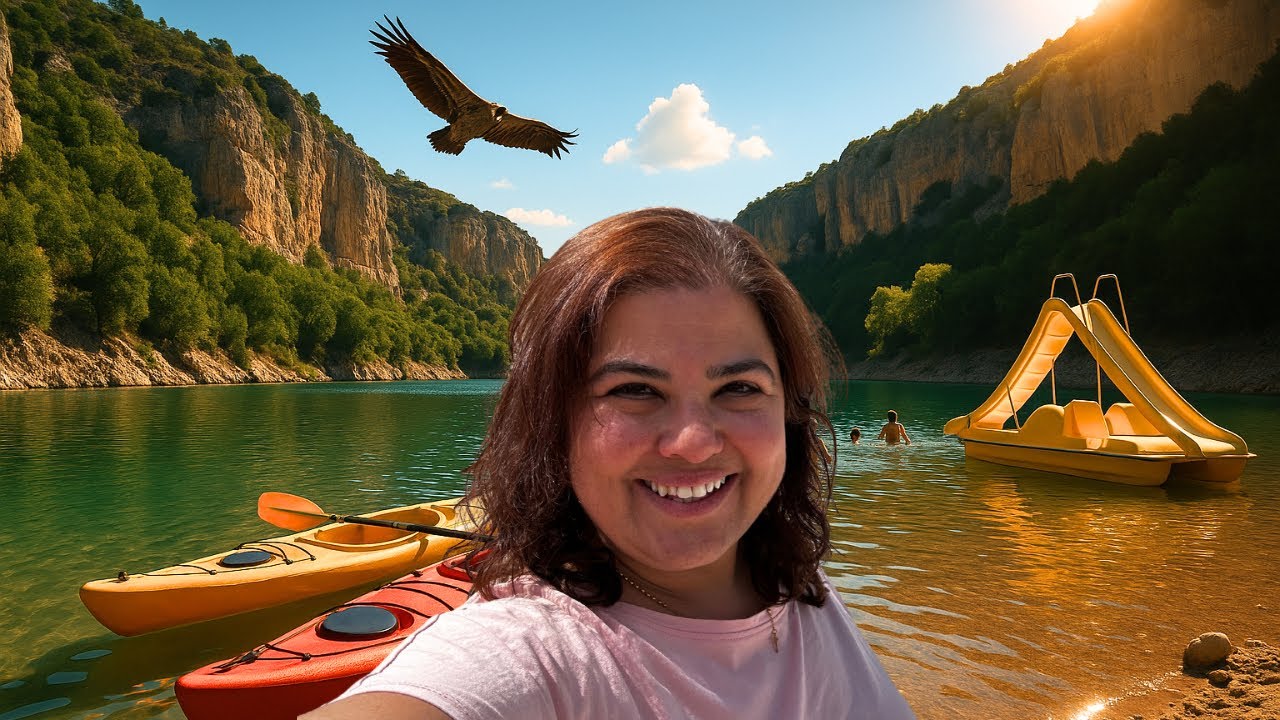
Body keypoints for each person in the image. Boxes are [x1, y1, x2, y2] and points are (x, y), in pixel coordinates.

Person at [304, 208, 916, 720]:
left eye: (739, 388)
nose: (693, 442)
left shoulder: (801, 592)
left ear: (790, 411)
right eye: (635, 390)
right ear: (555, 424)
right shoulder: (527, 652)